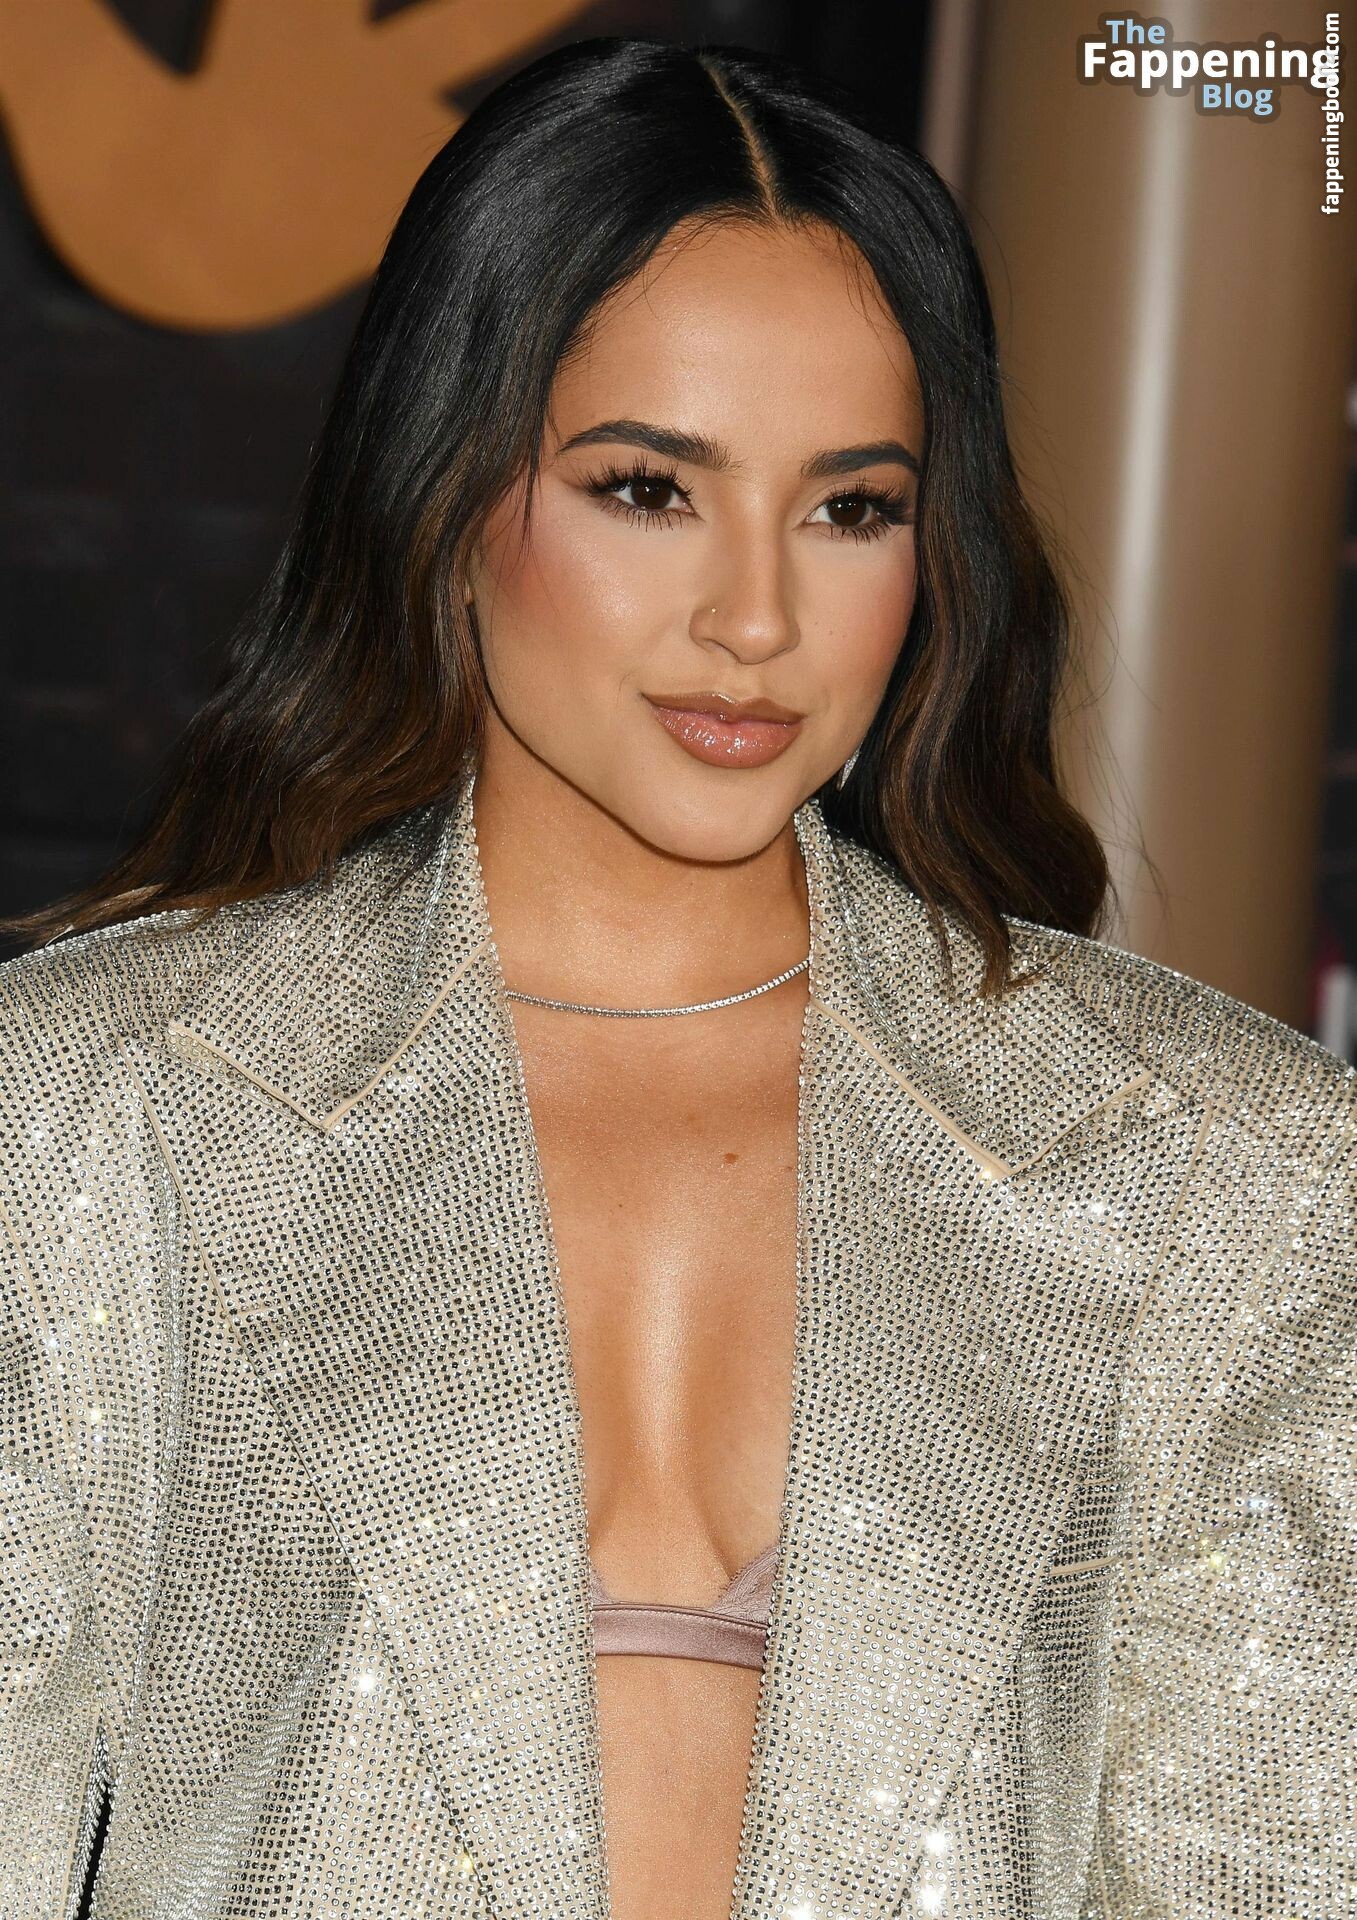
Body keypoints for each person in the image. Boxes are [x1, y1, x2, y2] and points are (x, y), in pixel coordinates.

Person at [0, 33, 1351, 1920]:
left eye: (849, 508)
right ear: (444, 491)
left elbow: (1264, 1867)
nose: (756, 619)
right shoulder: (91, 1114)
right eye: (648, 488)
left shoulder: (1229, 1169)